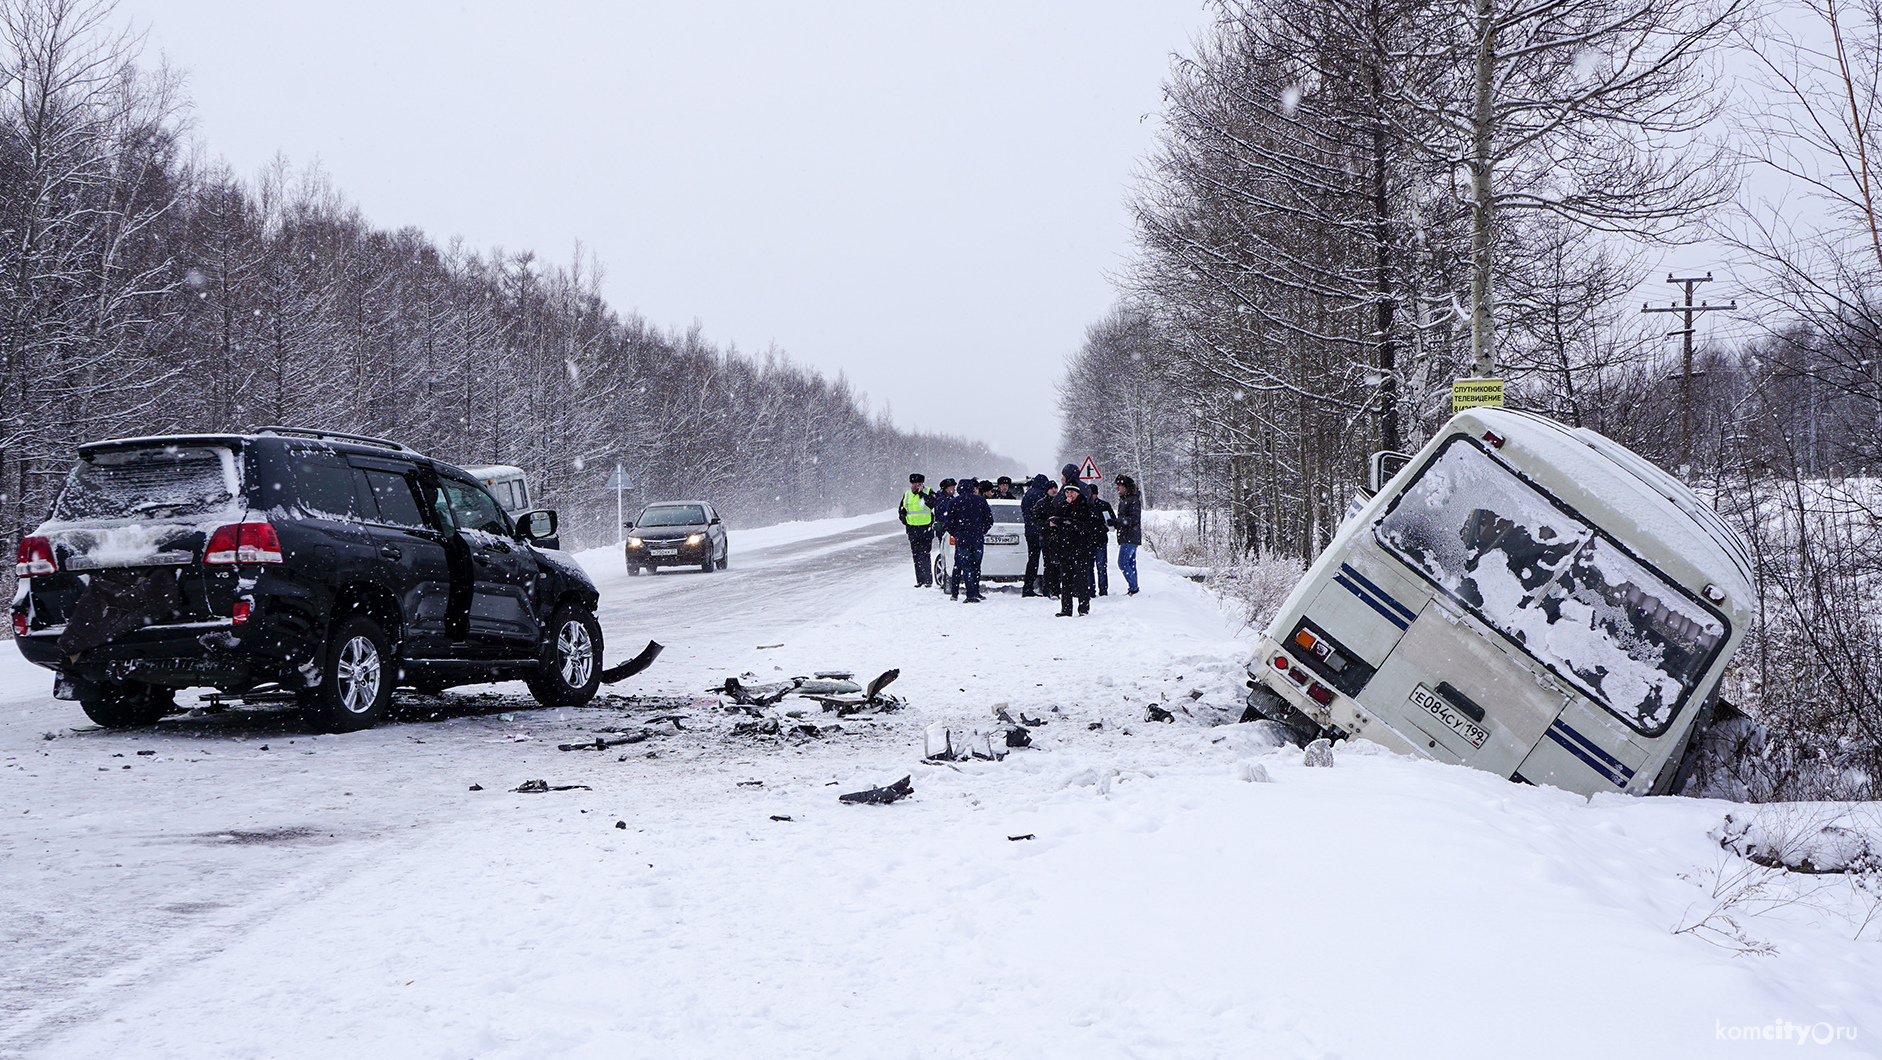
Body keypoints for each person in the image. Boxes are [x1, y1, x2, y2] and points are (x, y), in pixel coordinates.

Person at [1047, 484, 1104, 616]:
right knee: (1065, 579)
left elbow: (1093, 526)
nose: (1069, 495)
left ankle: (1083, 608)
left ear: (1077, 493)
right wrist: (1055, 524)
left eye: (1071, 492)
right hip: (1065, 548)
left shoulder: (1087, 506)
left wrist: (1075, 525)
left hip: (1081, 548)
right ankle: (1066, 609)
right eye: (1067, 492)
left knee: (1081, 578)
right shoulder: (1062, 506)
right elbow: (1053, 523)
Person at [947, 479, 995, 603]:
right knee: (976, 565)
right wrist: (981, 530)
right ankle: (975, 590)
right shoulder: (980, 501)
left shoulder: (954, 502)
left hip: (962, 538)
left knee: (966, 566)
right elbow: (989, 520)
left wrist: (957, 533)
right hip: (977, 538)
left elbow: (948, 523)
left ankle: (970, 594)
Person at [898, 473, 936, 587]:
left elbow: (932, 504)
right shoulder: (907, 494)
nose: (916, 486)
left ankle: (928, 581)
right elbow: (902, 510)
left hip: (926, 529)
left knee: (925, 555)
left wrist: (922, 494)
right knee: (916, 556)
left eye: (919, 484)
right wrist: (906, 521)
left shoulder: (928, 492)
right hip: (913, 530)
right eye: (914, 484)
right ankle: (920, 581)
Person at [1020, 473, 1051, 597]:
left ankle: (1027, 587)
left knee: (1032, 560)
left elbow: (1026, 513)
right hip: (1042, 532)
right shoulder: (1042, 495)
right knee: (1047, 560)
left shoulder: (1027, 495)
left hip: (1030, 532)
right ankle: (1047, 588)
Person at [1114, 475, 1143, 595]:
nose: (1117, 488)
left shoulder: (1132, 500)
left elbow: (1133, 519)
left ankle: (1133, 586)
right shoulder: (1127, 500)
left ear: (1126, 487)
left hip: (1129, 536)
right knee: (1130, 563)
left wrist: (1117, 522)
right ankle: (1133, 587)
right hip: (1129, 536)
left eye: (1119, 485)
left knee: (1123, 562)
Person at [1037, 481, 1061, 597]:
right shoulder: (1041, 504)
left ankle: (1057, 588)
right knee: (1049, 565)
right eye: (1051, 488)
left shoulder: (1061, 502)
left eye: (1055, 488)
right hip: (1047, 538)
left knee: (1059, 565)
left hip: (1060, 538)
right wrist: (1047, 524)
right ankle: (1048, 589)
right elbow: (1036, 520)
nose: (1054, 490)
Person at [1089, 490, 1114, 596]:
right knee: (1089, 567)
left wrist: (1106, 525)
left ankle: (1103, 590)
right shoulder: (1084, 506)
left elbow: (1112, 521)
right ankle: (1091, 590)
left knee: (1101, 566)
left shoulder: (1104, 505)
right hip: (1088, 540)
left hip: (1100, 539)